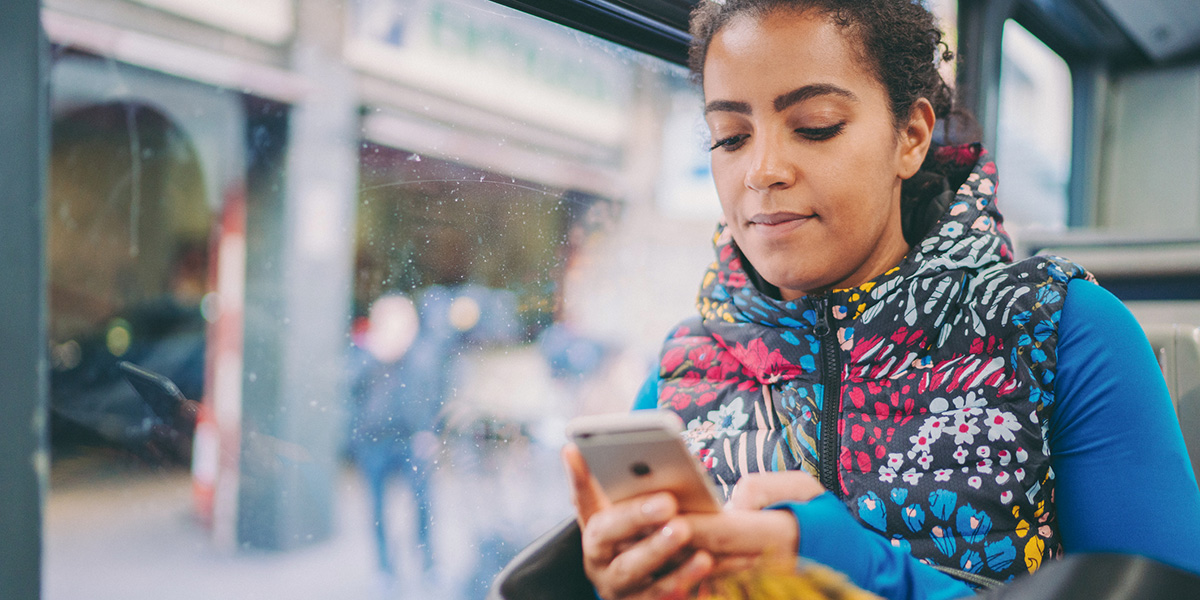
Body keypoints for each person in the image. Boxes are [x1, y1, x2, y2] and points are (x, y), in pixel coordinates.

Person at [557, 1, 1200, 599]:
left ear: (911, 136)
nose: (761, 169)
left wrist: (863, 571)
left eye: (815, 127)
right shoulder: (681, 369)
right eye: (730, 137)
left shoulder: (1058, 330)